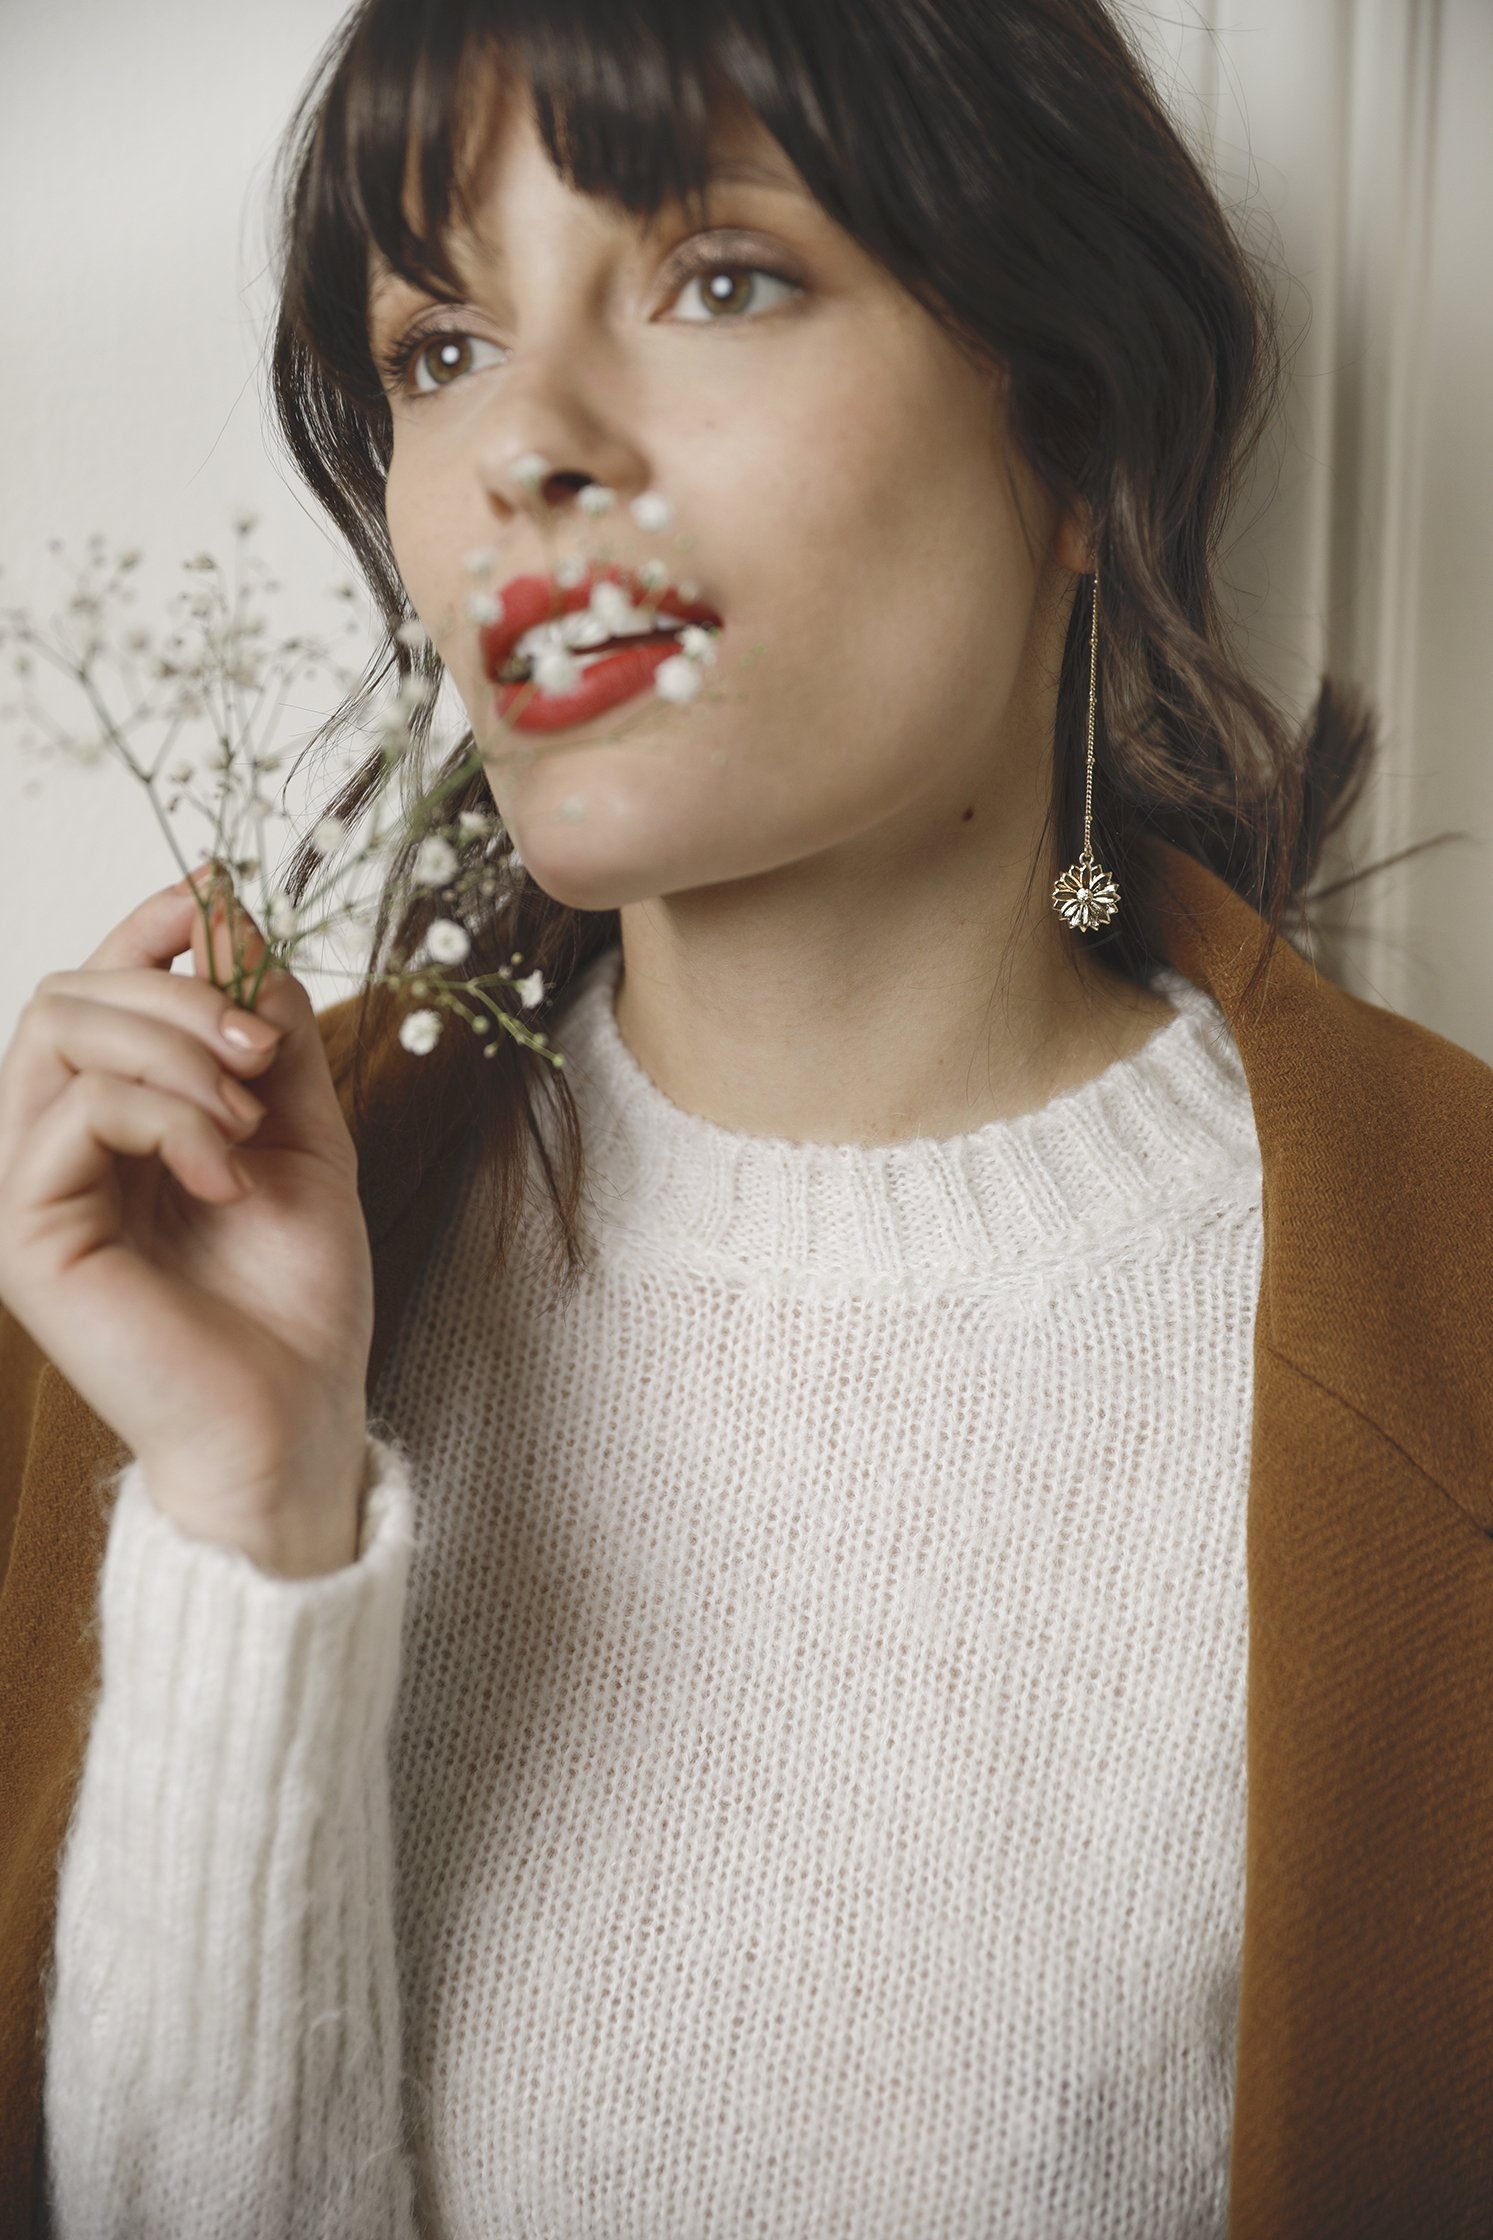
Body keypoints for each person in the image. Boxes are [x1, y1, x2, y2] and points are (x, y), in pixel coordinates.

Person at [1, 2, 1490, 2235]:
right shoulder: (161, 1272)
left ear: (1073, 430)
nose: (530, 445)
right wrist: (250, 1516)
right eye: (438, 344)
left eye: (716, 278)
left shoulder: (1445, 1309)